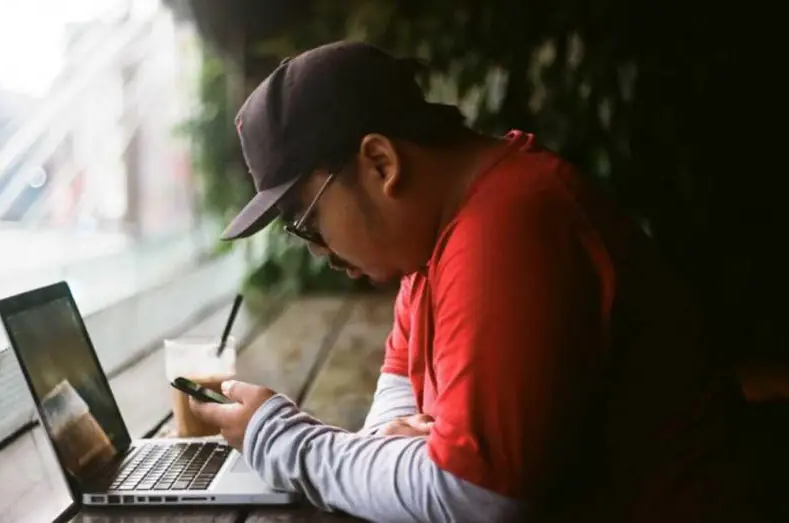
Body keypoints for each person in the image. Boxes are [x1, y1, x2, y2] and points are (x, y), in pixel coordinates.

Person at [190, 41, 754, 522]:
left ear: (381, 163)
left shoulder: (510, 225)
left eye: (308, 220)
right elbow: (390, 448)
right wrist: (408, 465)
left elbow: (471, 495)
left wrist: (286, 442)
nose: (318, 252)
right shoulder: (426, 255)